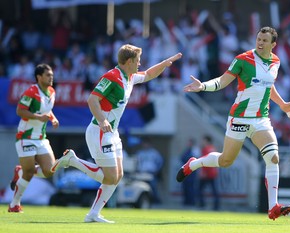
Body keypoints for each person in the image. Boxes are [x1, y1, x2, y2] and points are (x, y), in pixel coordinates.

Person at [51, 44, 182, 223]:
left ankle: (93, 214)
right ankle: (72, 160)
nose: (140, 64)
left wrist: (165, 63)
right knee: (110, 176)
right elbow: (92, 100)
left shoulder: (129, 77)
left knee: (117, 176)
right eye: (137, 61)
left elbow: (149, 74)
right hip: (99, 130)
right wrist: (103, 120)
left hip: (112, 133)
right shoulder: (111, 77)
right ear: (128, 61)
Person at [176, 26, 290, 220]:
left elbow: (268, 86)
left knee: (273, 157)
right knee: (225, 161)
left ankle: (273, 206)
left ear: (273, 44)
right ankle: (194, 163)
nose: (260, 42)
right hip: (239, 118)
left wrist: (282, 104)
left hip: (261, 119)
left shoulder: (276, 61)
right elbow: (223, 82)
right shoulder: (243, 59)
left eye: (265, 40)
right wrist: (203, 86)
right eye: (258, 38)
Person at [8, 64, 60, 213]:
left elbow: (48, 111)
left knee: (50, 170)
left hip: (41, 138)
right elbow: (20, 110)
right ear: (39, 77)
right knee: (29, 172)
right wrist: (39, 117)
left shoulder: (52, 91)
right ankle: (14, 204)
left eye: (52, 75)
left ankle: (19, 172)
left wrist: (53, 118)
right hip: (26, 136)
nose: (51, 77)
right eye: (48, 75)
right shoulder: (31, 92)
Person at [135, 138, 164, 204]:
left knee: (153, 187)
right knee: (141, 187)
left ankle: (155, 200)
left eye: (147, 144)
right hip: (142, 173)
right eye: (144, 144)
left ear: (150, 144)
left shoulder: (154, 153)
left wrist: (157, 170)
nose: (145, 145)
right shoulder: (140, 153)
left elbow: (160, 162)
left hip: (151, 173)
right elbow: (136, 162)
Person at [198, 135, 220, 210]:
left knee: (199, 189)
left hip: (207, 173)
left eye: (203, 140)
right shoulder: (213, 149)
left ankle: (202, 205)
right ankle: (216, 206)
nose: (202, 142)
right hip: (213, 172)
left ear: (207, 141)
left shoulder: (205, 149)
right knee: (214, 190)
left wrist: (203, 172)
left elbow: (204, 162)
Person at [179, 138, 200, 207]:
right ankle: (186, 201)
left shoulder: (195, 150)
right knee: (185, 187)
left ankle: (191, 202)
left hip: (192, 172)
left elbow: (195, 159)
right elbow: (182, 157)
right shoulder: (187, 150)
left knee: (191, 187)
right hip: (186, 172)